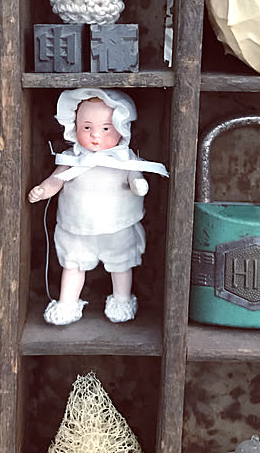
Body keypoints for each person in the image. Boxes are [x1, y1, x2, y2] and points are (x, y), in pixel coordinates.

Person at [28, 88, 168, 325]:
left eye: (105, 128)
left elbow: (135, 177)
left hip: (117, 225)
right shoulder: (72, 158)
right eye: (86, 127)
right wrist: (43, 190)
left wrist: (138, 184)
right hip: (77, 226)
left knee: (121, 264)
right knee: (73, 264)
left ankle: (122, 299)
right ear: (74, 126)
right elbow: (56, 180)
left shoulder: (124, 159)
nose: (95, 135)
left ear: (121, 129)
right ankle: (67, 303)